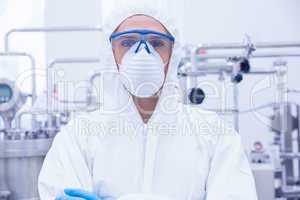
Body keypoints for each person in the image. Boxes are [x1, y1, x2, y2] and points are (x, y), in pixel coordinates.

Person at [38, 5, 258, 200]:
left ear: (173, 55)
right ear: (110, 52)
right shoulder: (78, 136)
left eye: (156, 43)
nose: (142, 53)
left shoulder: (215, 134)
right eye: (127, 42)